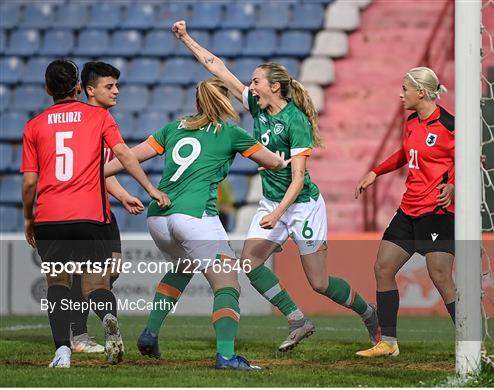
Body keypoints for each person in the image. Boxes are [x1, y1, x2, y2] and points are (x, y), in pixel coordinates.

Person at [171, 20, 380, 352]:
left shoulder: (296, 122)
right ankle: (297, 320)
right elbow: (218, 68)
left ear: (275, 86)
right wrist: (186, 39)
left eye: (256, 81)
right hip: (273, 203)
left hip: (301, 206)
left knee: (320, 283)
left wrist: (279, 213)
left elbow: (298, 178)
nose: (250, 87)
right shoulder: (257, 106)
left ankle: (370, 314)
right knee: (249, 264)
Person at [104, 77, 287, 370]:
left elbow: (129, 157)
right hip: (195, 216)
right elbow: (272, 162)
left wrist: (95, 173)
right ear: (225, 101)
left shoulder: (173, 127)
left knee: (182, 268)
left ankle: (150, 334)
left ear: (198, 101)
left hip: (158, 217)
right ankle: (226, 356)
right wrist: (285, 160)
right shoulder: (230, 132)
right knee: (228, 284)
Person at [21, 59, 170, 368]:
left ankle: (63, 350)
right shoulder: (98, 117)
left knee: (59, 285)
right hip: (91, 215)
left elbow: (29, 182)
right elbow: (123, 155)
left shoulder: (34, 125)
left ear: (47, 89)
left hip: (50, 216)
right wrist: (149, 189)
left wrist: (28, 218)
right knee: (97, 286)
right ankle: (108, 318)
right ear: (78, 87)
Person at [355, 67, 455, 358]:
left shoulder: (450, 125)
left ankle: (472, 340)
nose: (401, 94)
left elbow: (471, 159)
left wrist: (454, 187)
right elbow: (404, 153)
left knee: (440, 276)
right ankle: (388, 342)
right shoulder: (412, 121)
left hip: (437, 212)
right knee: (383, 268)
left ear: (420, 92)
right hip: (408, 209)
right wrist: (376, 171)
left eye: (405, 89)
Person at [68, 61, 145, 354]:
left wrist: (123, 195)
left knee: (112, 271)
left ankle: (92, 324)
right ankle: (79, 334)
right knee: (84, 275)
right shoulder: (86, 121)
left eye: (117, 86)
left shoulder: (104, 119)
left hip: (103, 210)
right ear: (90, 89)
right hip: (83, 212)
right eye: (109, 86)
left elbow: (100, 170)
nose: (116, 91)